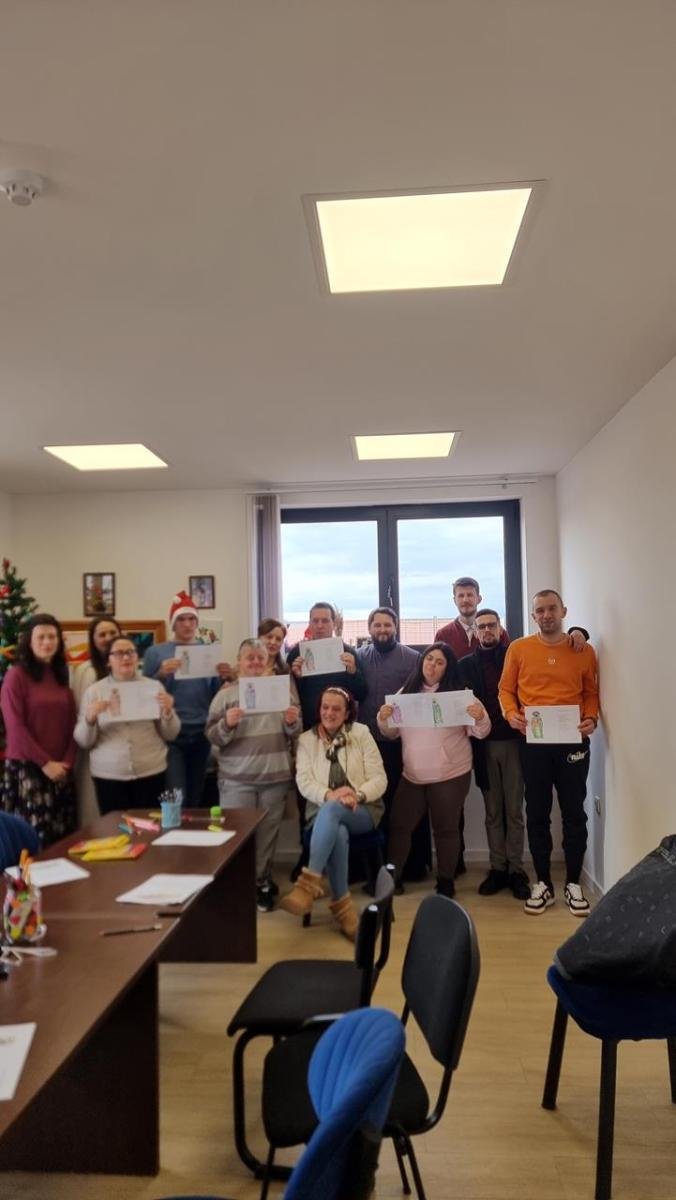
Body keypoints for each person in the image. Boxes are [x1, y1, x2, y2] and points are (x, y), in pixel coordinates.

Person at [498, 589, 599, 917]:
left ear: (563, 611)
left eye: (552, 608)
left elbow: (590, 692)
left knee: (574, 813)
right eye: (540, 610)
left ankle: (573, 883)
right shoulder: (519, 648)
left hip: (573, 741)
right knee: (537, 812)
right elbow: (505, 690)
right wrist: (510, 714)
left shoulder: (583, 650)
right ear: (533, 616)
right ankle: (542, 883)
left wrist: (591, 718)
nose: (546, 615)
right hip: (534, 743)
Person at [378, 642, 490, 898]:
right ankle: (393, 879)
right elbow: (391, 733)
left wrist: (480, 716)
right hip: (413, 775)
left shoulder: (460, 695)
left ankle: (446, 881)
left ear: (447, 668)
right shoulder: (406, 693)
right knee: (399, 826)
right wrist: (383, 718)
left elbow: (481, 732)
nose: (432, 665)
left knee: (446, 829)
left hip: (450, 774)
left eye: (440, 662)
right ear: (422, 662)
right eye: (429, 659)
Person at [280, 686, 387, 939]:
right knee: (336, 826)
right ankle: (343, 909)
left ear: (347, 712)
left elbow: (379, 779)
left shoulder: (361, 733)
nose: (329, 713)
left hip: (362, 809)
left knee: (333, 813)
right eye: (325, 707)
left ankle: (307, 886)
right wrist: (330, 796)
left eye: (336, 708)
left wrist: (356, 795)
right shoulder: (306, 740)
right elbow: (304, 782)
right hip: (321, 813)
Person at [206, 638, 301, 913]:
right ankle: (237, 884)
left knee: (267, 835)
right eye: (250, 657)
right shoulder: (225, 695)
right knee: (236, 836)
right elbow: (211, 736)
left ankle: (261, 882)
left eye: (261, 657)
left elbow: (296, 731)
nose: (256, 662)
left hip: (274, 777)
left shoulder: (281, 692)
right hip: (236, 779)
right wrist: (227, 724)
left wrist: (291, 721)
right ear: (240, 662)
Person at [458, 609, 530, 900]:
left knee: (514, 810)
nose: (487, 630)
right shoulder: (465, 666)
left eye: (492, 625)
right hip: (483, 745)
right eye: (482, 626)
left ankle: (516, 870)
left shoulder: (516, 658)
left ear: (500, 629)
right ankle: (498, 868)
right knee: (492, 812)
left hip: (514, 743)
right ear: (475, 632)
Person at [356, 607, 430, 880]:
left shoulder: (413, 658)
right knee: (374, 806)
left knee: (405, 807)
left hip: (402, 745)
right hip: (367, 745)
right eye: (377, 625)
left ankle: (411, 867)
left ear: (395, 627)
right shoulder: (358, 658)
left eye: (387, 625)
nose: (382, 630)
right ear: (369, 628)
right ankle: (375, 868)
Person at [142, 591, 230, 806]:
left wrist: (223, 678)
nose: (188, 624)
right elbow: (143, 695)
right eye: (181, 619)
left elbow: (212, 696)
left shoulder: (208, 652)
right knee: (176, 796)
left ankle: (191, 829)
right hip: (171, 735)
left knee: (196, 796)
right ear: (173, 623)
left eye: (192, 619)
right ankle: (175, 828)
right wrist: (160, 674)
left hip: (202, 732)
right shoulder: (155, 653)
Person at [74, 635, 180, 813]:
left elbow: (171, 734)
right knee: (114, 827)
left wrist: (168, 712)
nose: (125, 657)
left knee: (150, 826)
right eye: (118, 653)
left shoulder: (153, 687)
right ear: (108, 661)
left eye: (131, 652)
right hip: (109, 774)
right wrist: (89, 719)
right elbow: (83, 741)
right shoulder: (95, 691)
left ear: (137, 657)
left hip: (151, 770)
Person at [0, 613, 77, 847]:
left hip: (61, 771)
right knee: (34, 843)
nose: (47, 642)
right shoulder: (16, 676)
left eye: (52, 637)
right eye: (41, 637)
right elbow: (15, 727)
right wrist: (45, 763)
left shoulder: (61, 676)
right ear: (29, 641)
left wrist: (67, 762)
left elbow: (72, 724)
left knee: (63, 840)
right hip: (28, 769)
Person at [70, 616, 123, 822]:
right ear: (93, 640)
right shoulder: (86, 671)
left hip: (121, 751)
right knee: (95, 810)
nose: (108, 637)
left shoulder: (127, 668)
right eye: (102, 634)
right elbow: (80, 713)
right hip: (94, 748)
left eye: (112, 633)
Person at [287, 602, 367, 731]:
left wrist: (353, 673)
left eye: (325, 621)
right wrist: (298, 677)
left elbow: (361, 694)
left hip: (341, 728)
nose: (320, 626)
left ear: (333, 623)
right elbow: (289, 698)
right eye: (315, 621)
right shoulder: (297, 653)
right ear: (309, 623)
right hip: (308, 728)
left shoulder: (348, 653)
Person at [436, 576, 510, 659]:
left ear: (479, 599)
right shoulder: (443, 635)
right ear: (454, 600)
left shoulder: (498, 633)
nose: (465, 600)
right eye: (461, 596)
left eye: (470, 595)